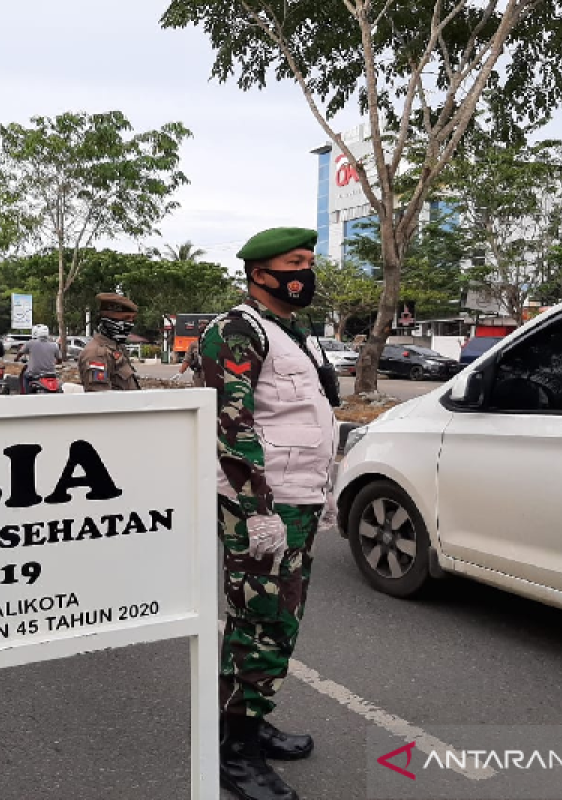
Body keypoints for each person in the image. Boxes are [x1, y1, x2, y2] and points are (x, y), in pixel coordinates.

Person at [200, 228, 339, 800]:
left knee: (282, 619)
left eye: (309, 262)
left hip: (297, 500)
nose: (306, 273)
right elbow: (230, 428)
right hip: (259, 503)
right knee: (258, 621)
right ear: (259, 272)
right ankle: (235, 750)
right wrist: (258, 511)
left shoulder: (297, 334)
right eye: (294, 262)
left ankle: (251, 719)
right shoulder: (236, 330)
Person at [78, 293, 141, 392]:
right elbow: (101, 400)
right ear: (108, 320)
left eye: (132, 319)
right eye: (125, 319)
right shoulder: (97, 354)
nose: (130, 324)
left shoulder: (116, 348)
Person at [17, 324, 62, 391]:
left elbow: (20, 353)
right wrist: (55, 363)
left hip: (34, 373)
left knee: (25, 376)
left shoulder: (30, 343)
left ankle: (26, 395)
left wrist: (16, 358)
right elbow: (60, 360)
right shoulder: (54, 345)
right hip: (51, 374)